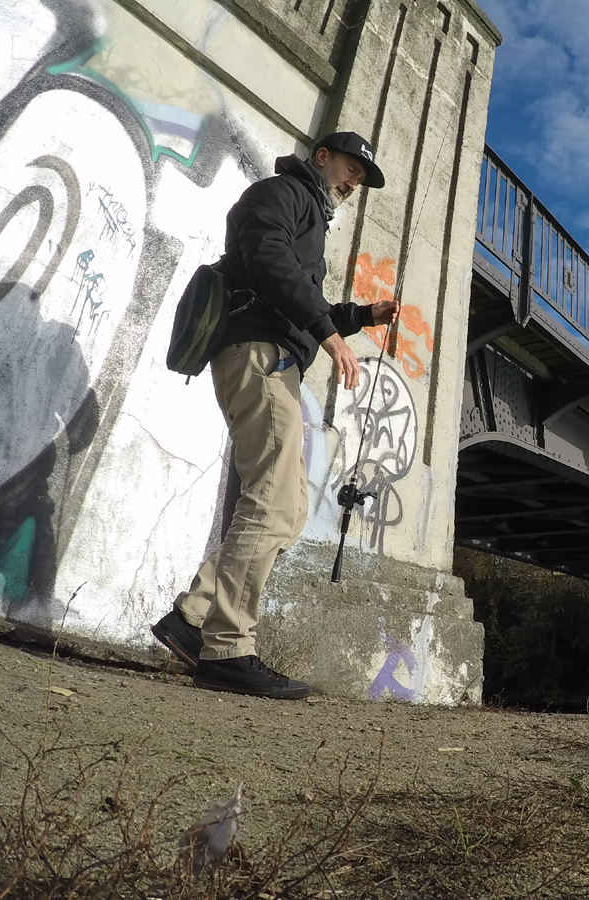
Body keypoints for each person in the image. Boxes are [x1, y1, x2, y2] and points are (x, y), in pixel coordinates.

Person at [151, 132, 399, 699]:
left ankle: (192, 621)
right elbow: (267, 264)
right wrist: (329, 335)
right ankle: (228, 647)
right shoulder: (281, 194)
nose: (356, 179)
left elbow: (288, 288)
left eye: (364, 176)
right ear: (321, 157)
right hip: (259, 356)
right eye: (352, 166)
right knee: (274, 501)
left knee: (283, 504)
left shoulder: (306, 211)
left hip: (272, 354)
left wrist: (359, 315)